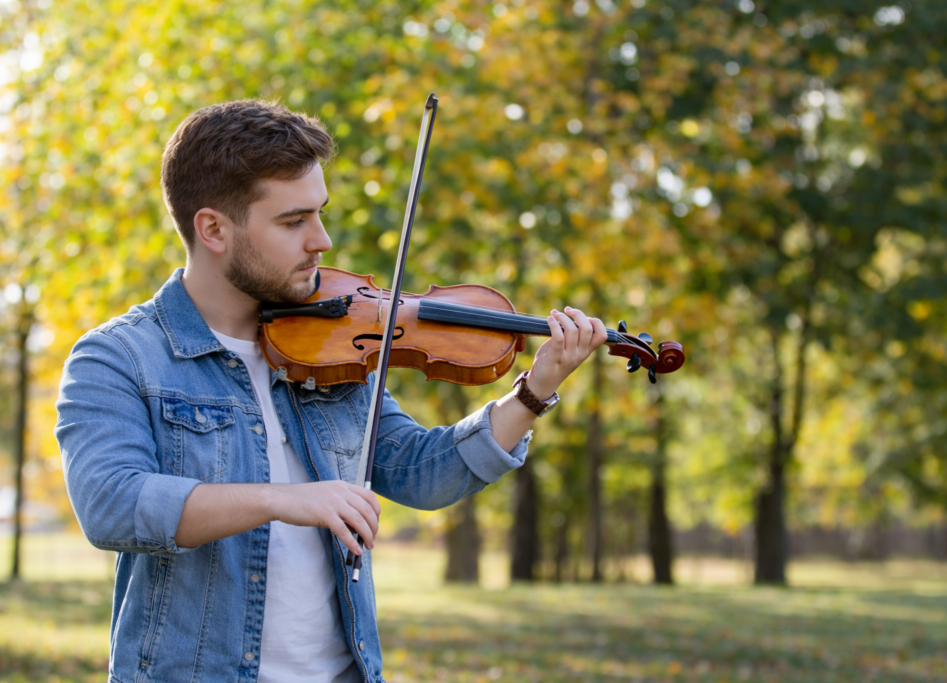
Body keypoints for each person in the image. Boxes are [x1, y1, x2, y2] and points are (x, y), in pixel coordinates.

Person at [55, 100, 608, 683]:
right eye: (293, 222)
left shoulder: (332, 344)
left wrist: (534, 390)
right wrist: (282, 498)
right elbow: (112, 505)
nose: (322, 240)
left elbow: (422, 471)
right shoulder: (118, 357)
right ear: (213, 228)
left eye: (320, 213)